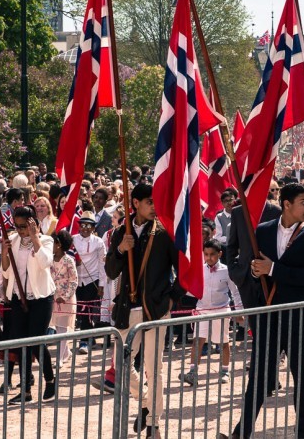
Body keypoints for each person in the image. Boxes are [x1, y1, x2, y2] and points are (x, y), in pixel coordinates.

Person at [224, 183, 304, 439]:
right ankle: (242, 432)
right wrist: (255, 272)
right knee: (258, 377)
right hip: (269, 316)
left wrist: (272, 269)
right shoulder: (263, 231)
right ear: (287, 204)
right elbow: (251, 264)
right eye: (303, 202)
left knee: (301, 376)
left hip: (300, 316)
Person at [107, 183, 185, 439]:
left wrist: (171, 301)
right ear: (136, 203)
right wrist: (121, 250)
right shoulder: (121, 232)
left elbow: (183, 272)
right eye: (150, 202)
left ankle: (154, 422)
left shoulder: (165, 233)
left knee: (154, 369)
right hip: (126, 309)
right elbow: (110, 271)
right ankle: (144, 401)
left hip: (155, 309)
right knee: (122, 365)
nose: (154, 207)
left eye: (157, 202)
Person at [0, 206, 57, 404]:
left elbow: (45, 263)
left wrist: (35, 239)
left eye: (24, 226)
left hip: (41, 298)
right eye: (17, 226)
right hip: (18, 297)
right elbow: (6, 271)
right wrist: (4, 252)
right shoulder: (13, 240)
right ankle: (25, 389)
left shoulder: (47, 240)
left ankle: (50, 380)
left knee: (36, 342)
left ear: (34, 223)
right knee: (21, 343)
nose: (20, 230)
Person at [179, 239, 243, 387]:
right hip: (202, 310)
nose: (209, 258)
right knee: (197, 341)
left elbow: (235, 292)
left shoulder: (227, 271)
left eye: (212, 254)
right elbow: (191, 289)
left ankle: (225, 371)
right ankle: (193, 372)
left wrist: (239, 311)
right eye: (206, 254)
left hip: (221, 311)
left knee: (223, 342)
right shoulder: (199, 270)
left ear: (220, 254)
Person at [72, 212, 106, 353]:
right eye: (83, 225)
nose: (85, 228)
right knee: (80, 311)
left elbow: (102, 264)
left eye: (88, 226)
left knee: (89, 311)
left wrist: (101, 285)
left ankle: (84, 341)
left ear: (93, 228)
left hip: (92, 279)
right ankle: (87, 337)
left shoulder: (98, 242)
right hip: (77, 280)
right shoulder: (72, 240)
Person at [50, 229, 78, 365]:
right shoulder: (49, 260)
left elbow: (74, 281)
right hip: (53, 299)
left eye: (53, 243)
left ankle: (59, 358)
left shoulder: (69, 261)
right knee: (58, 327)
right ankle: (66, 352)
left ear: (59, 244)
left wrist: (65, 297)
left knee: (62, 329)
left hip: (66, 300)